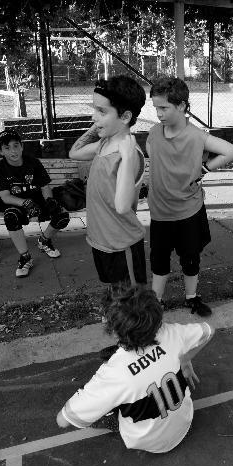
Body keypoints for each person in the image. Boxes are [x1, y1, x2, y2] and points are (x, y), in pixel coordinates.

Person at [56, 285, 213, 453]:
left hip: (148, 443)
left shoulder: (113, 374)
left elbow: (63, 420)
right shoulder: (173, 333)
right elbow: (208, 331)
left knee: (107, 404)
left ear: (115, 331)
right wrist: (185, 360)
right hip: (185, 425)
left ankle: (110, 419)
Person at [147, 77, 233, 316]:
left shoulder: (196, 136)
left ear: (182, 106)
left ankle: (192, 297)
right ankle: (156, 303)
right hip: (160, 212)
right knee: (159, 262)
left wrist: (204, 169)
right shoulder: (154, 133)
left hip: (188, 211)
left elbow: (232, 151)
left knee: (190, 259)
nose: (159, 114)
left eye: (164, 108)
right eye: (156, 108)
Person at [69, 75, 149, 326]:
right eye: (94, 109)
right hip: (101, 241)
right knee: (118, 298)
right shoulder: (104, 143)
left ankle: (138, 348)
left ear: (124, 117)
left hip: (121, 245)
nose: (94, 116)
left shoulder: (129, 153)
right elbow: (74, 153)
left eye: (101, 111)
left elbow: (123, 205)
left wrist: (126, 158)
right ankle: (123, 342)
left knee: (133, 305)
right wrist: (98, 127)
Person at [0, 128, 67, 278]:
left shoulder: (33, 162)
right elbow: (6, 197)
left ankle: (44, 241)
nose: (13, 151)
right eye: (7, 148)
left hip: (37, 200)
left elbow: (45, 186)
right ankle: (25, 257)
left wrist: (50, 201)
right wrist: (25, 203)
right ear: (1, 151)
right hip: (17, 204)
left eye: (16, 146)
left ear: (22, 146)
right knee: (11, 217)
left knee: (62, 215)